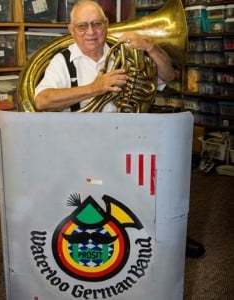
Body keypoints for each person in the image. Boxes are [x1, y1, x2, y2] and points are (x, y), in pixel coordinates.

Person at [34, 0, 205, 258]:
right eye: (82, 26)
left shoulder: (121, 51)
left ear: (106, 25)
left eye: (96, 24)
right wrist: (96, 87)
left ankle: (169, 236)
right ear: (71, 29)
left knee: (156, 183)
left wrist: (152, 47)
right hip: (79, 143)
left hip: (127, 135)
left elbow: (167, 77)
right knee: (88, 199)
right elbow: (41, 100)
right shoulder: (62, 60)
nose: (90, 32)